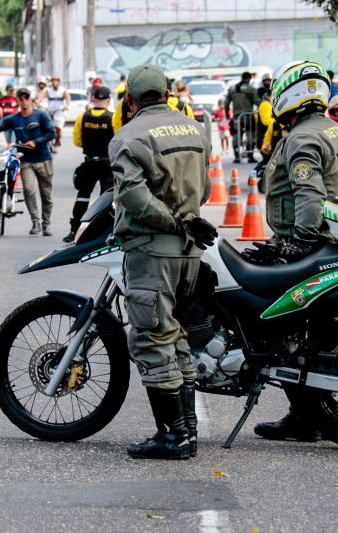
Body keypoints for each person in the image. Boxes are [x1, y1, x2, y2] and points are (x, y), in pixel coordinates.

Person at [110, 64, 214, 460]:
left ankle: (174, 437)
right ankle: (187, 432)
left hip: (153, 249)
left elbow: (134, 198)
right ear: (167, 93)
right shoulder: (193, 129)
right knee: (179, 338)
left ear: (131, 100)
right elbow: (203, 189)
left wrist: (171, 220)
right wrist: (185, 217)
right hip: (190, 250)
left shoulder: (129, 135)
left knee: (152, 338)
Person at [249, 61, 338, 442]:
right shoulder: (328, 127)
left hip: (305, 240)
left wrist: (300, 243)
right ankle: (311, 413)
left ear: (290, 94)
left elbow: (309, 195)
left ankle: (310, 415)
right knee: (312, 333)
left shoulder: (302, 138)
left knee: (281, 331)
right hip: (329, 238)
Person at [0, 87, 56, 235]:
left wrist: (36, 142)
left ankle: (46, 224)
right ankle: (35, 222)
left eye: (26, 98)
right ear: (17, 100)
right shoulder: (14, 119)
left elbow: (51, 133)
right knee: (29, 191)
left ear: (31, 99)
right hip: (25, 161)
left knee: (46, 195)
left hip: (44, 159)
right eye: (20, 98)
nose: (24, 101)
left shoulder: (41, 115)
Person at [64, 86, 115, 243]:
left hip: (89, 162)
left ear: (93, 99)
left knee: (83, 196)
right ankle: (101, 231)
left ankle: (74, 231)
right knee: (105, 198)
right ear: (109, 100)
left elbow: (77, 141)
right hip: (107, 164)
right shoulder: (112, 118)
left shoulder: (83, 117)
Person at [225, 71, 259, 163]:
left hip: (237, 116)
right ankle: (250, 156)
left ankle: (236, 156)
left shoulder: (232, 89)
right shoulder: (251, 89)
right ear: (248, 79)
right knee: (250, 135)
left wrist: (227, 113)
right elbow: (257, 102)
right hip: (248, 116)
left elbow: (226, 103)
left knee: (236, 135)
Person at [37, 75, 70, 148]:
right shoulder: (48, 90)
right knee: (47, 126)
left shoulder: (63, 90)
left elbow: (68, 98)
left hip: (60, 112)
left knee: (58, 127)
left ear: (59, 81)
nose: (54, 82)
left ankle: (57, 141)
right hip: (50, 111)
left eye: (56, 81)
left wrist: (67, 105)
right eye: (53, 81)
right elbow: (41, 97)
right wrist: (38, 101)